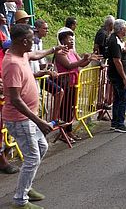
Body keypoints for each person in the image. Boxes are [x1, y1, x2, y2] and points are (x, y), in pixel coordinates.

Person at [2, 23, 65, 209]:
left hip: (28, 118)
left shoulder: (22, 54)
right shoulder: (13, 63)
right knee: (32, 156)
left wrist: (54, 49)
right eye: (31, 40)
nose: (34, 42)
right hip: (20, 119)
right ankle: (20, 200)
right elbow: (14, 99)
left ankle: (26, 186)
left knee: (41, 148)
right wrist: (39, 120)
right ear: (23, 41)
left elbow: (36, 54)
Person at [55, 29, 100, 143]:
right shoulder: (60, 53)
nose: (72, 41)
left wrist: (88, 59)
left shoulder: (72, 52)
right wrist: (85, 59)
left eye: (72, 39)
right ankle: (63, 133)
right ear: (62, 40)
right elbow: (69, 65)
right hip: (65, 84)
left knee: (71, 109)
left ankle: (69, 131)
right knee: (65, 109)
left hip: (75, 83)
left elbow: (81, 64)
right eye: (69, 39)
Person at [31, 19, 63, 121]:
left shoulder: (39, 41)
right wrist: (53, 49)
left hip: (40, 74)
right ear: (37, 29)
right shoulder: (32, 42)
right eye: (45, 29)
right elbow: (34, 57)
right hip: (35, 76)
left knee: (61, 89)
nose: (47, 31)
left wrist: (46, 65)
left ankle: (55, 118)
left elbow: (38, 60)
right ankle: (53, 120)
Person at [107, 19, 126, 133]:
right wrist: (124, 78)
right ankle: (119, 123)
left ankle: (115, 122)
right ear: (121, 29)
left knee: (118, 99)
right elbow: (117, 61)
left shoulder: (118, 40)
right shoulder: (114, 41)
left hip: (119, 75)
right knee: (123, 98)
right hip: (117, 76)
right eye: (125, 27)